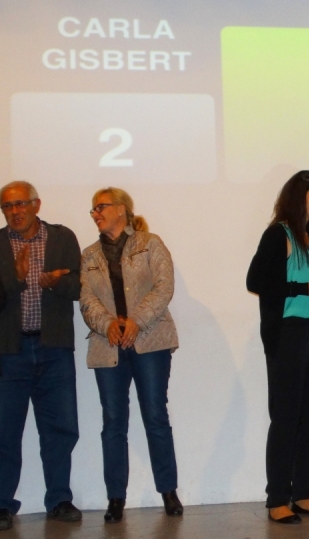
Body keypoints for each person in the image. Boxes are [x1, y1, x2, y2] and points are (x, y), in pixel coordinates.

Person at [79, 187, 182, 523]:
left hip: (150, 341)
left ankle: (168, 491)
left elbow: (164, 287)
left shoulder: (150, 243)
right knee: (113, 422)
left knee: (155, 416)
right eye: (93, 209)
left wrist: (136, 320)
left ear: (122, 209)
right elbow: (87, 299)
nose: (95, 213)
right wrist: (107, 324)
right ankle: (115, 498)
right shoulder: (89, 255)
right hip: (107, 345)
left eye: (101, 207)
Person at [246, 170, 309, 524]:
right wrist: (301, 289)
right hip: (289, 334)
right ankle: (278, 498)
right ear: (299, 198)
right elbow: (256, 281)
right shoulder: (277, 235)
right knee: (285, 417)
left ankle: (302, 493)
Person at [0, 181, 82, 531]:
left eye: (20, 204)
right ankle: (2, 504)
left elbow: (80, 286)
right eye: (7, 206)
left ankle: (59, 499)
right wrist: (16, 280)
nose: (14, 211)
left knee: (60, 429)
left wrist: (57, 283)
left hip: (54, 349)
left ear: (36, 204)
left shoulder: (62, 238)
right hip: (9, 352)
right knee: (5, 433)